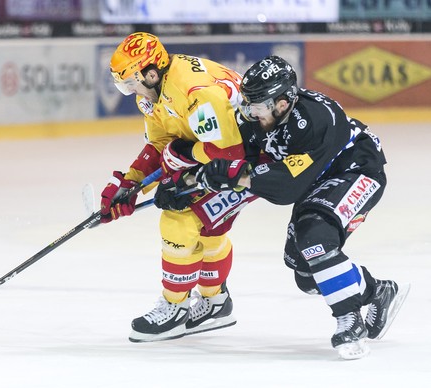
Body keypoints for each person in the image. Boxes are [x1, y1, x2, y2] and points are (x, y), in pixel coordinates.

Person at [195, 55, 410, 359]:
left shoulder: (317, 119)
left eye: (257, 106)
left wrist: (236, 176)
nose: (250, 112)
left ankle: (349, 319)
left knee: (315, 238)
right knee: (304, 269)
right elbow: (247, 158)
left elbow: (287, 187)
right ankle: (378, 291)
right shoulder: (262, 116)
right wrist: (193, 179)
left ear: (281, 103)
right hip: (318, 179)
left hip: (357, 170)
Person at [100, 32, 256, 343]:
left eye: (131, 80)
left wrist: (183, 157)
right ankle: (215, 302)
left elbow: (228, 154)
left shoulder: (194, 92)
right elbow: (160, 145)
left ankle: (174, 308)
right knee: (207, 227)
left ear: (152, 72)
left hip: (249, 162)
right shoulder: (153, 94)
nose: (129, 90)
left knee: (178, 219)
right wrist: (130, 183)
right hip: (223, 156)